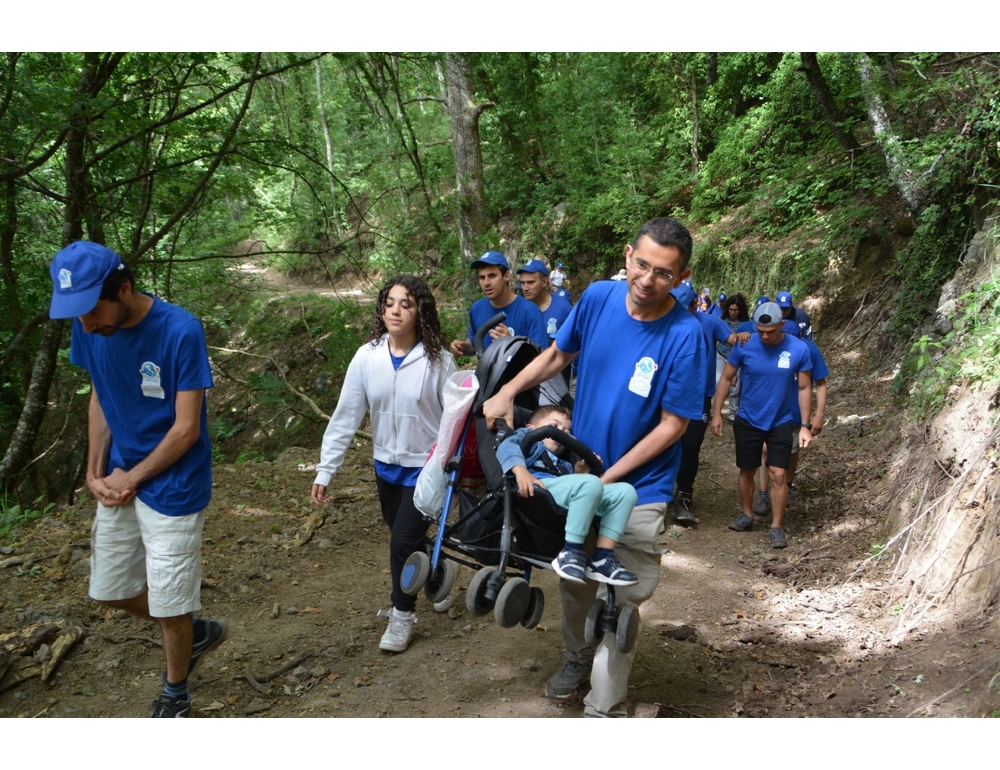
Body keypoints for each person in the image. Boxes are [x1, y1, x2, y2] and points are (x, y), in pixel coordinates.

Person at [483, 217, 705, 717]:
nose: (647, 280)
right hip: (579, 474)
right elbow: (559, 355)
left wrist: (608, 477)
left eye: (664, 273)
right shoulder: (600, 298)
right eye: (642, 265)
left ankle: (604, 704)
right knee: (575, 577)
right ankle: (575, 658)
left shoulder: (685, 336)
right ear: (628, 255)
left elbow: (673, 425)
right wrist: (506, 391)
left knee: (621, 594)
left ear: (682, 276)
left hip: (641, 487)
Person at [48, 241, 225, 718]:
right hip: (122, 472)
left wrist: (133, 478)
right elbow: (101, 397)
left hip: (175, 484)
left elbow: (186, 428)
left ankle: (176, 693)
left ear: (123, 288)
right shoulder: (88, 325)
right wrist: (94, 470)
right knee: (110, 588)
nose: (83, 325)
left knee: (170, 600)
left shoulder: (180, 330)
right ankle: (192, 630)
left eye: (90, 311)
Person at [312, 276, 457, 653]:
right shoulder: (367, 356)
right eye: (389, 303)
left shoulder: (439, 360)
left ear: (420, 311)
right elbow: (345, 416)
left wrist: (449, 462)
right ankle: (436, 575)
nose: (395, 310)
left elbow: (454, 418)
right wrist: (326, 469)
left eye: (406, 304)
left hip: (426, 469)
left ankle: (402, 614)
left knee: (401, 541)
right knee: (405, 538)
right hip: (385, 467)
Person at [497, 404, 639, 585]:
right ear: (531, 428)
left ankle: (602, 558)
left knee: (625, 492)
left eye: (566, 431)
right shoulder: (528, 439)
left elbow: (577, 491)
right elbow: (507, 447)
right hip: (537, 486)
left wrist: (580, 473)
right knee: (592, 483)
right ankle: (570, 551)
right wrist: (520, 471)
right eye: (554, 427)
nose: (561, 433)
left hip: (559, 492)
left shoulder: (564, 463)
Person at [712, 302, 813, 549]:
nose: (765, 336)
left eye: (770, 331)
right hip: (748, 418)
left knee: (778, 473)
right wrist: (717, 413)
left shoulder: (798, 349)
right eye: (761, 330)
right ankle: (747, 514)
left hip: (780, 419)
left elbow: (804, 387)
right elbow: (726, 378)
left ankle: (777, 526)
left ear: (781, 325)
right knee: (747, 470)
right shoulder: (746, 344)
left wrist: (806, 425)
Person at [671, 284, 742, 524]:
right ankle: (658, 496)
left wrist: (734, 369)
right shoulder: (667, 321)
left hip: (699, 396)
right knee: (665, 443)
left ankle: (683, 497)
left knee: (690, 444)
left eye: (686, 308)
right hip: (669, 394)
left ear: (695, 305)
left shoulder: (709, 322)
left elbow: (734, 341)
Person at [753, 336, 829, 514]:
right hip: (768, 411)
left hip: (794, 413)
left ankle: (787, 485)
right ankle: (763, 493)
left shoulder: (808, 349)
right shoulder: (766, 344)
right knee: (765, 451)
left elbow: (820, 383)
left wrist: (818, 414)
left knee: (792, 451)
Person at [449, 251, 549, 357]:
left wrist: (512, 344)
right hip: (486, 372)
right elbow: (475, 344)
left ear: (506, 276)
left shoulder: (529, 311)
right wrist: (462, 347)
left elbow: (541, 358)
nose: (486, 283)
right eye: (482, 277)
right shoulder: (477, 309)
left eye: (492, 276)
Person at [517, 259, 573, 343]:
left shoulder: (564, 309)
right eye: (522, 283)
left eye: (530, 282)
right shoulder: (518, 310)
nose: (525, 288)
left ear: (544, 282)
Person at [719, 294, 750, 419]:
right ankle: (717, 409)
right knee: (718, 380)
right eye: (731, 310)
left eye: (735, 310)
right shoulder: (721, 321)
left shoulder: (746, 324)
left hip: (738, 357)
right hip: (721, 353)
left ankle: (733, 412)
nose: (732, 312)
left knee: (735, 387)